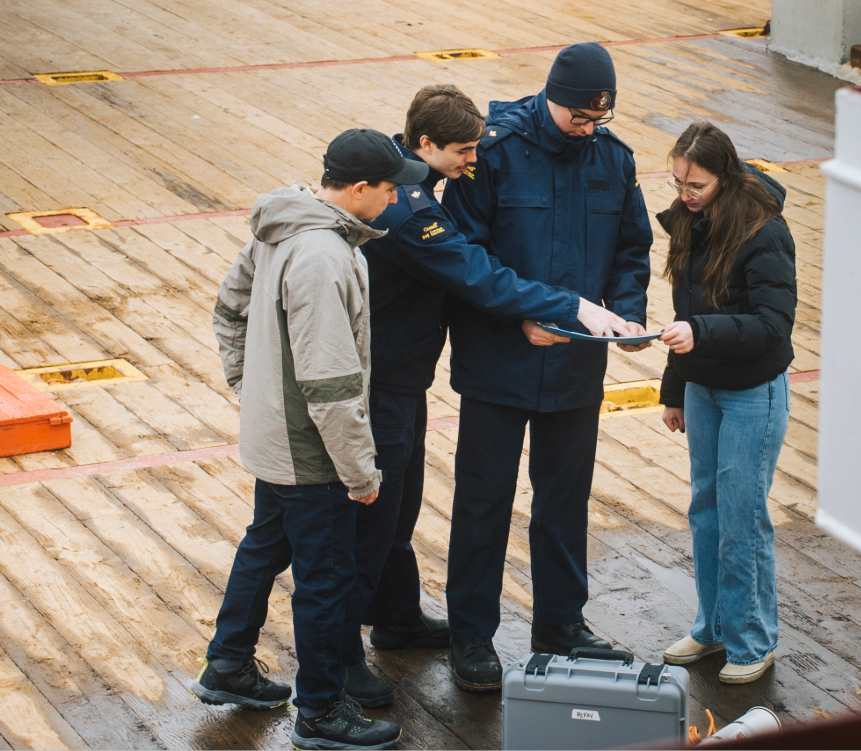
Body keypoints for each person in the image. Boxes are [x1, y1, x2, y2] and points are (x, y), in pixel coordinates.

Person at [346, 84, 629, 687]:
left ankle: (394, 618)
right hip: (380, 380)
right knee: (370, 518)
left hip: (403, 376)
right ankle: (341, 661)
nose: (477, 161)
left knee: (398, 508)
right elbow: (476, 274)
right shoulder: (409, 208)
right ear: (426, 144)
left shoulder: (414, 184)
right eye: (465, 151)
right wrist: (570, 305)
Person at [193, 128, 428, 750]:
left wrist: (252, 389)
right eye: (389, 190)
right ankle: (321, 711)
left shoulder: (280, 226)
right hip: (311, 449)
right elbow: (330, 381)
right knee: (325, 579)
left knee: (264, 545)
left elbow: (228, 308)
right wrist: (361, 471)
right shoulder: (325, 255)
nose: (396, 201)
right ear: (357, 189)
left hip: (274, 436)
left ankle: (228, 665)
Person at [440, 42, 653, 691]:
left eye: (597, 120)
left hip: (574, 370)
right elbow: (465, 257)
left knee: (563, 502)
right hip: (498, 364)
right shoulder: (492, 153)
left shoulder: (613, 161)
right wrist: (518, 320)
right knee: (483, 501)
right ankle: (471, 632)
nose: (588, 130)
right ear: (550, 97)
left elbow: (631, 246)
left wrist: (629, 313)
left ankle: (560, 621)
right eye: (577, 119)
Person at [655, 121, 795, 685]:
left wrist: (701, 334)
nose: (685, 196)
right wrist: (675, 388)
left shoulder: (765, 233)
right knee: (705, 510)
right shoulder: (690, 220)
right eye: (678, 182)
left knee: (743, 518)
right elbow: (683, 306)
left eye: (697, 186)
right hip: (702, 386)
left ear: (726, 176)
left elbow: (773, 326)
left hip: (751, 394)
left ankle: (753, 640)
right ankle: (714, 626)